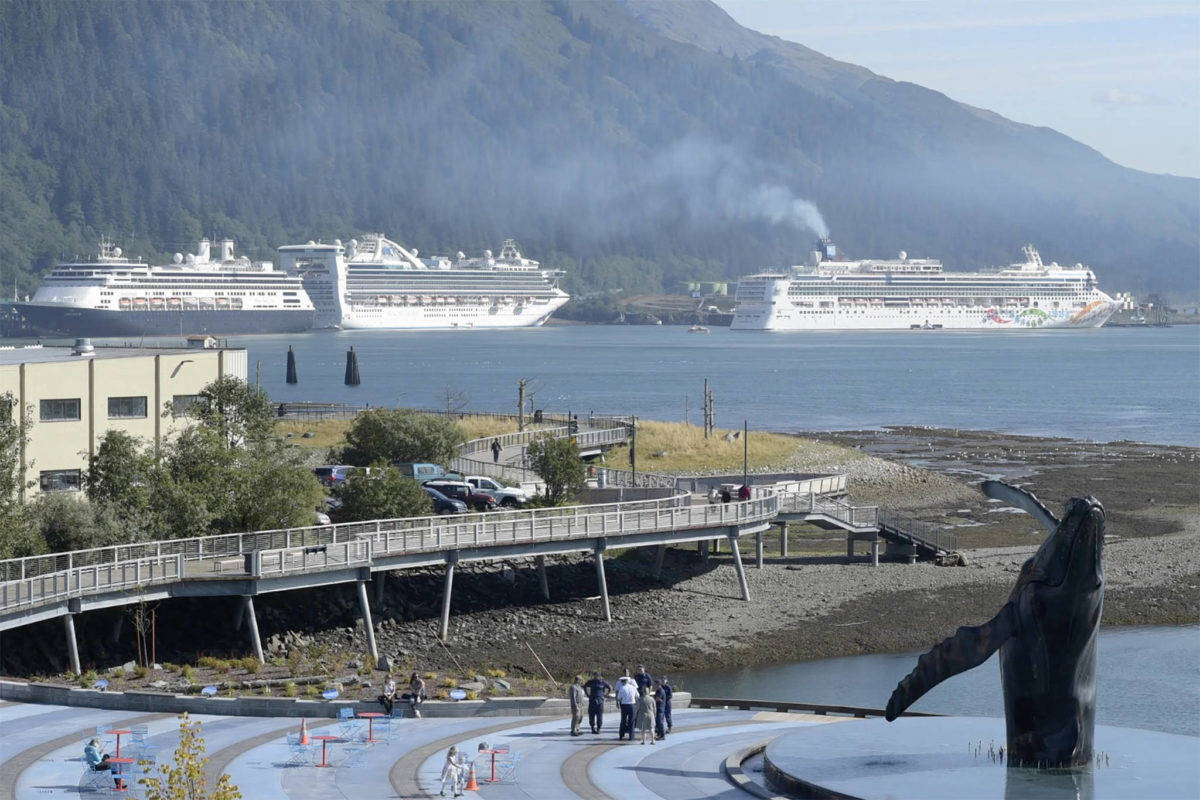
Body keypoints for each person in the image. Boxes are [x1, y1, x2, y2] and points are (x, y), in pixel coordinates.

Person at [616, 676, 638, 741]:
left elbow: (619, 697)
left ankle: (621, 735)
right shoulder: (633, 687)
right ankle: (631, 736)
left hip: (624, 705)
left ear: (623, 682)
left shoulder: (622, 688)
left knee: (623, 720)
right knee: (631, 721)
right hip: (632, 705)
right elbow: (637, 695)